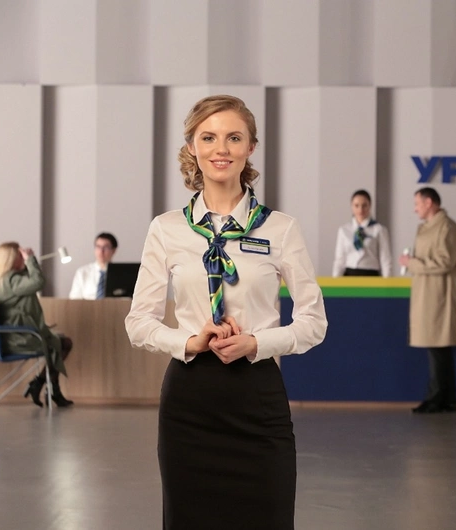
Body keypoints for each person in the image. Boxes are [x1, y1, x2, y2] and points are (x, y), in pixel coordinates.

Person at [125, 95, 327, 529]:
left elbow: (314, 323)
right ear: (192, 147)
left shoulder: (281, 228)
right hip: (189, 401)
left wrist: (257, 343)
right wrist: (188, 341)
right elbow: (138, 322)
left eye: (234, 138)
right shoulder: (166, 229)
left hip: (257, 397)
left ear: (250, 147)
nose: (221, 149)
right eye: (208, 137)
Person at [399, 187, 456, 414]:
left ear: (429, 202)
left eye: (417, 204)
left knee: (438, 348)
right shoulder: (430, 228)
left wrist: (412, 263)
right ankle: (446, 398)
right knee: (437, 349)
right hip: (429, 295)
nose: (415, 209)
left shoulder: (447, 228)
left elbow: (445, 262)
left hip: (439, 297)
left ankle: (437, 398)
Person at [0, 242, 74, 407]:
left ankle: (45, 387)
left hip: (10, 336)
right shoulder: (12, 281)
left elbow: (29, 281)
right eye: (20, 255)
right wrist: (31, 259)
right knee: (64, 343)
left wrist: (29, 262)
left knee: (58, 341)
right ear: (11, 259)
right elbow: (38, 282)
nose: (23, 257)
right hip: (19, 339)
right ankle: (44, 385)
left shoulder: (1, 279)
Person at [331, 189, 393, 277]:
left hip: (371, 275)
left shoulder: (379, 230)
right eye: (356, 205)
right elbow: (339, 260)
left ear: (369, 206)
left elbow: (385, 260)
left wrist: (387, 282)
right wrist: (335, 281)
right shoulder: (344, 230)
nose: (360, 209)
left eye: (364, 205)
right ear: (351, 207)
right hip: (349, 275)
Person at [69, 232, 118, 299]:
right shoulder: (82, 272)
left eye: (106, 247)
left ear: (114, 250)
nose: (101, 251)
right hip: (87, 305)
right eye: (98, 247)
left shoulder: (121, 274)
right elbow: (74, 299)